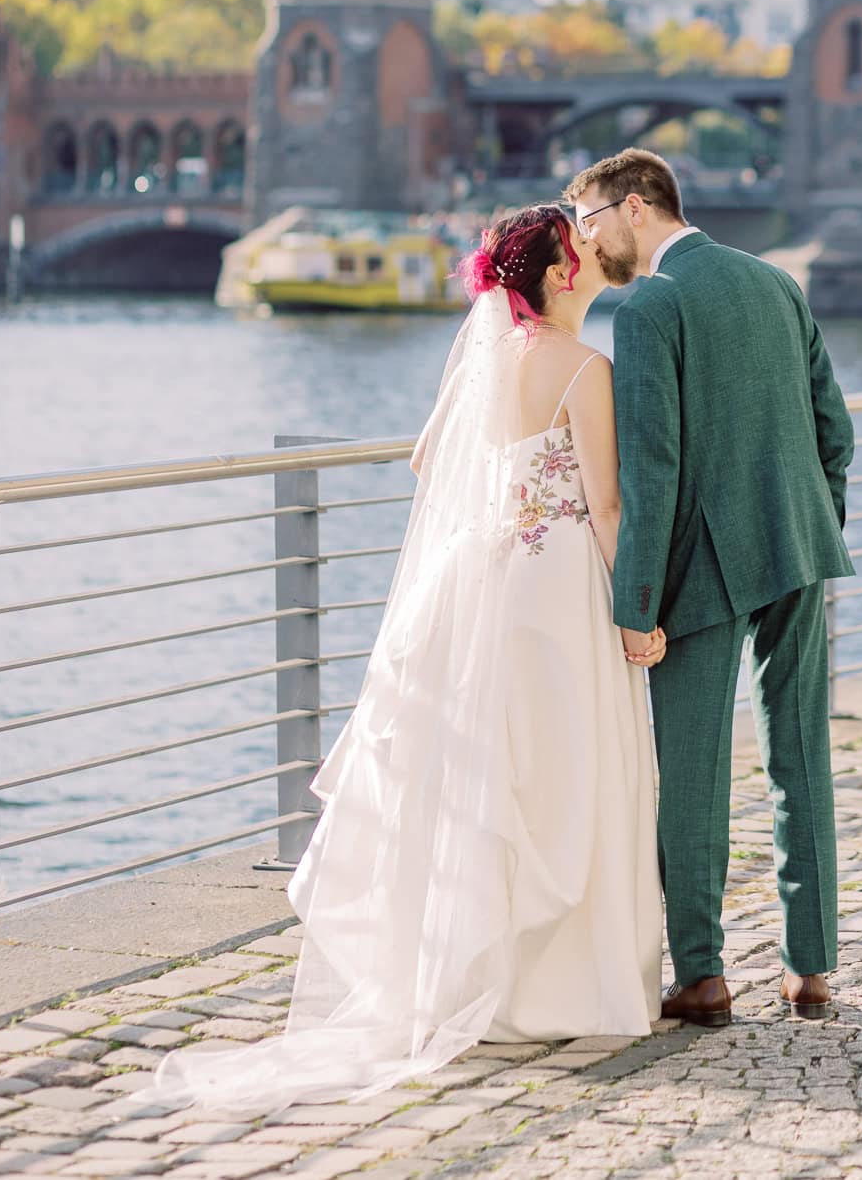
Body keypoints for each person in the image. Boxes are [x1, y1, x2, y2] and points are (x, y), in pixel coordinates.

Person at [131, 204, 662, 1115]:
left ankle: (469, 976)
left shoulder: (487, 361)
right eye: (576, 255)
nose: (586, 264)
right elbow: (607, 507)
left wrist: (501, 498)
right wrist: (635, 615)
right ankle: (562, 986)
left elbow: (428, 461)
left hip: (477, 582)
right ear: (557, 275)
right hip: (558, 590)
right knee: (562, 768)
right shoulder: (585, 369)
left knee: (479, 774)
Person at [564, 150, 855, 1025]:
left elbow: (651, 469)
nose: (588, 243)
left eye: (590, 221)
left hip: (702, 565)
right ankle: (809, 966)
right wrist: (814, 520)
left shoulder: (650, 305)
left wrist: (635, 604)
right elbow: (833, 428)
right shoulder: (776, 283)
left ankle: (703, 973)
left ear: (639, 204)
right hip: (798, 546)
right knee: (800, 751)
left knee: (690, 773)